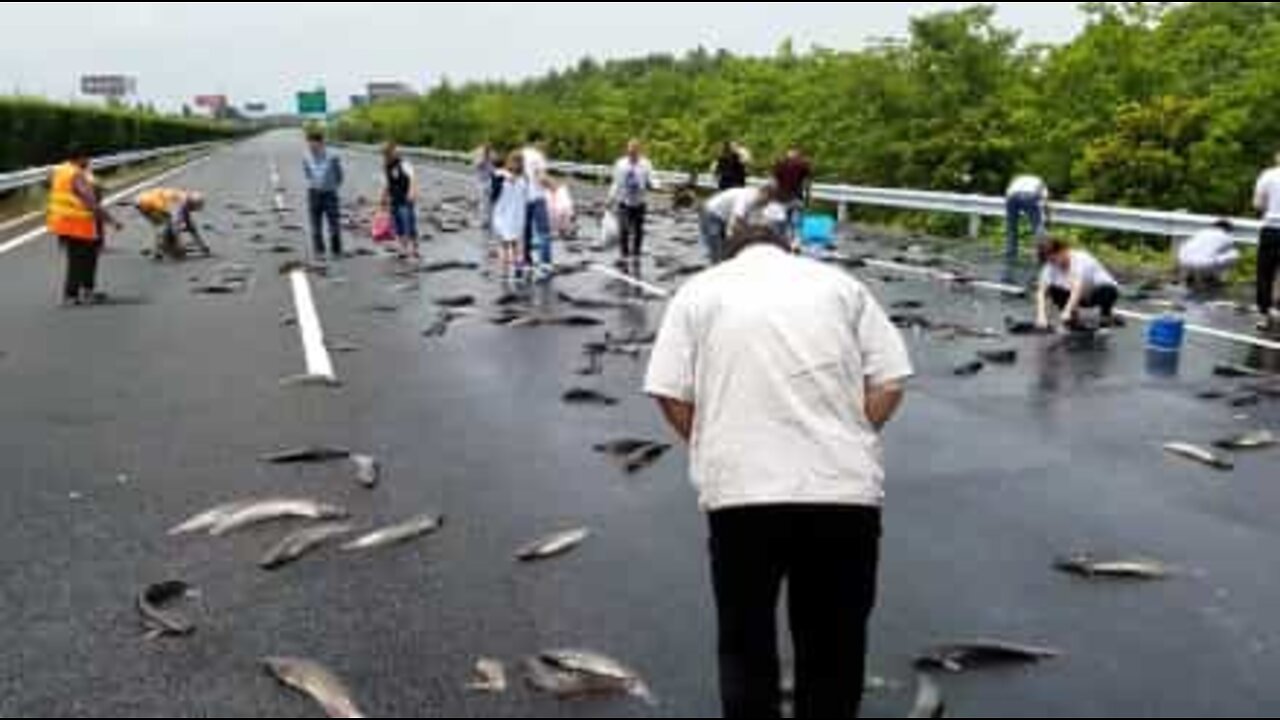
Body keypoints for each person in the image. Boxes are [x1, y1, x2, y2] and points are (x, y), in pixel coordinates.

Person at [645, 213, 912, 719]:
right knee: (833, 643)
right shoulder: (839, 285)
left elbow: (667, 389)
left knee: (746, 640)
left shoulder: (699, 292)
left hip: (742, 494)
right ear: (789, 245)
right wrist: (852, 432)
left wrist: (709, 442)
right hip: (841, 492)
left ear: (729, 250)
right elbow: (892, 378)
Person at [46, 150, 120, 306]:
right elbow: (90, 202)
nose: (89, 161)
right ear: (79, 158)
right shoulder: (77, 175)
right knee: (84, 259)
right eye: (87, 158)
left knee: (79, 258)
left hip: (61, 221)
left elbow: (57, 188)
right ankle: (75, 294)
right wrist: (111, 220)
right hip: (78, 223)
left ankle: (83, 292)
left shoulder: (60, 170)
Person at [1036, 238, 1122, 331]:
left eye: (1054, 259)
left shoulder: (1080, 259)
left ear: (1063, 251)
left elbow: (1077, 289)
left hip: (1095, 293)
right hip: (1079, 296)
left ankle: (1105, 315)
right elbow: (1041, 292)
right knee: (1053, 289)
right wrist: (1041, 316)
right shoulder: (1050, 265)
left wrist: (1067, 310)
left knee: (1108, 290)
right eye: (1050, 261)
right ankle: (1072, 318)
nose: (1053, 263)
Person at [609, 139, 658, 266]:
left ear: (639, 151)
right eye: (630, 151)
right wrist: (610, 199)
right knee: (624, 228)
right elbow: (616, 182)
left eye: (635, 151)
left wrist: (656, 185)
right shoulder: (620, 164)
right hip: (624, 201)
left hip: (640, 201)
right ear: (627, 150)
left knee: (638, 229)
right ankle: (624, 254)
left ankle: (636, 253)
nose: (632, 153)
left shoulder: (646, 164)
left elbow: (652, 178)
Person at [701, 184, 775, 263]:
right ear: (763, 192)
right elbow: (735, 224)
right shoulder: (746, 197)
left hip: (723, 216)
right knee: (715, 245)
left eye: (769, 201)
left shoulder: (758, 202)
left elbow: (755, 223)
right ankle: (715, 266)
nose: (767, 204)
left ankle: (722, 260)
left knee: (724, 245)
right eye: (767, 200)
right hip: (712, 212)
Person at [303, 129, 345, 262]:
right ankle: (319, 251)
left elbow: (339, 175)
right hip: (314, 193)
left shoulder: (333, 157)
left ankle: (336, 250)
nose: (311, 146)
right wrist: (315, 184)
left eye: (313, 143)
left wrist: (332, 186)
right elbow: (307, 173)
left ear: (321, 143)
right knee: (315, 224)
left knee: (334, 223)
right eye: (309, 143)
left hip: (329, 194)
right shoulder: (306, 156)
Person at [135, 187, 209, 260]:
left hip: (147, 200)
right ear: (191, 204)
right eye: (194, 208)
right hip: (147, 203)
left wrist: (202, 245)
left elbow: (190, 226)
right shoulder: (180, 205)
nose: (193, 210)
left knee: (165, 224)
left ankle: (157, 247)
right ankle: (157, 251)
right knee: (163, 225)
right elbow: (175, 227)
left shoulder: (184, 199)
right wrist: (180, 245)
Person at [1005, 174, 1051, 282]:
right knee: (1037, 227)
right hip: (1029, 195)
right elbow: (1045, 203)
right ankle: (1040, 256)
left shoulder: (1017, 180)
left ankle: (1011, 256)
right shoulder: (1041, 183)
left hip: (1011, 196)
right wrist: (1048, 219)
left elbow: (1008, 194)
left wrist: (1017, 209)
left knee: (1012, 228)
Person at [522, 132, 555, 280]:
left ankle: (526, 262)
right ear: (537, 141)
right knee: (544, 232)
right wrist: (554, 187)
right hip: (536, 198)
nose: (545, 145)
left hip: (522, 198)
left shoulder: (520, 153)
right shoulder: (538, 156)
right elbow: (541, 177)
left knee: (526, 231)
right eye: (543, 141)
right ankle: (545, 266)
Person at [1254, 153, 1280, 332]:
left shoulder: (1268, 175)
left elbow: (1257, 204)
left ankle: (1264, 315)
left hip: (1271, 229)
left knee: (1265, 273)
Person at [491, 151, 528, 278]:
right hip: (518, 217)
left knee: (504, 245)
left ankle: (504, 272)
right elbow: (526, 198)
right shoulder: (524, 180)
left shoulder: (499, 178)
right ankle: (518, 270)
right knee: (517, 244)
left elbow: (493, 197)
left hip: (503, 216)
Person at [382, 142, 420, 261]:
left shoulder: (404, 164)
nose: (391, 155)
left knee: (409, 223)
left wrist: (412, 191)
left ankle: (414, 248)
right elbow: (388, 183)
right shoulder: (387, 166)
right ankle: (403, 249)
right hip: (395, 199)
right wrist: (383, 197)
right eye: (388, 153)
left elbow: (413, 178)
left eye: (393, 152)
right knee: (398, 225)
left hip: (405, 199)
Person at [1178, 220, 1241, 289]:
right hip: (1203, 264)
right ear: (1227, 229)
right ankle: (1212, 278)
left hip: (1183, 261)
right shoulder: (1227, 237)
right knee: (1235, 254)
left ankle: (1190, 276)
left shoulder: (1201, 232)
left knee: (1200, 253)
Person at [773, 147, 813, 239]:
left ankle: (783, 241)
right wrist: (808, 197)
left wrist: (773, 197)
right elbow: (807, 183)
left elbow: (774, 182)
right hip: (797, 198)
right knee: (797, 223)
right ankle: (796, 242)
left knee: (782, 221)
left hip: (782, 198)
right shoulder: (803, 165)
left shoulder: (780, 165)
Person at [474, 143, 497, 229]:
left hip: (489, 180)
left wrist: (489, 157)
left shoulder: (492, 155)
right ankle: (485, 221)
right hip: (482, 181)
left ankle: (487, 221)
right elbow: (478, 165)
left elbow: (495, 166)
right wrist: (484, 157)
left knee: (489, 202)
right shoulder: (480, 154)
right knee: (484, 202)